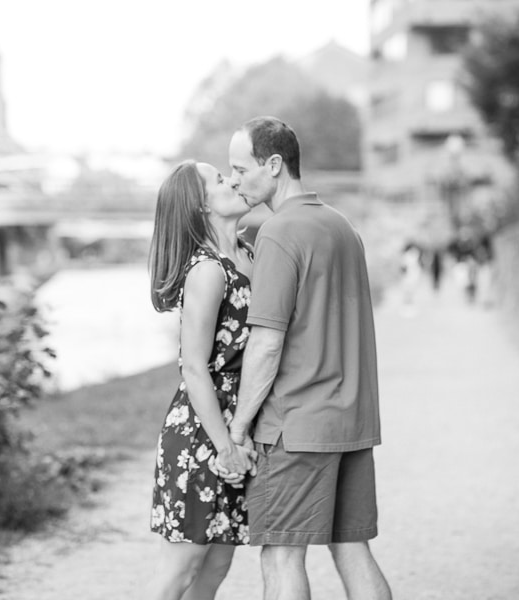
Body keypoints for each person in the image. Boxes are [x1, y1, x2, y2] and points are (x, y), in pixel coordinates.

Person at [218, 117, 392, 600]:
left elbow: (266, 343)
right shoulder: (343, 228)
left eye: (239, 168)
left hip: (296, 426)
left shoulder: (277, 232)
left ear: (273, 165)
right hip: (352, 422)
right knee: (352, 549)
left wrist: (237, 429)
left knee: (279, 554)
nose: (233, 180)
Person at [146, 160, 258, 600]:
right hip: (201, 431)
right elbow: (193, 366)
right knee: (181, 567)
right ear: (200, 206)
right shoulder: (208, 270)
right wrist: (226, 446)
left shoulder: (249, 253)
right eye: (218, 179)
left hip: (236, 421)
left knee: (216, 565)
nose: (232, 180)